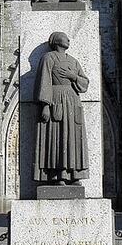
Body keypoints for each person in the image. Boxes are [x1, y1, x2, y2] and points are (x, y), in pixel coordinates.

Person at [33, 31, 89, 185]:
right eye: (64, 37)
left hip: (72, 101)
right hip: (56, 99)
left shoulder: (73, 61)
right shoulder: (48, 58)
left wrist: (73, 76)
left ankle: (75, 174)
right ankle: (59, 175)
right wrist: (45, 105)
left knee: (73, 137)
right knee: (57, 136)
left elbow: (84, 83)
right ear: (56, 41)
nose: (68, 39)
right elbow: (44, 80)